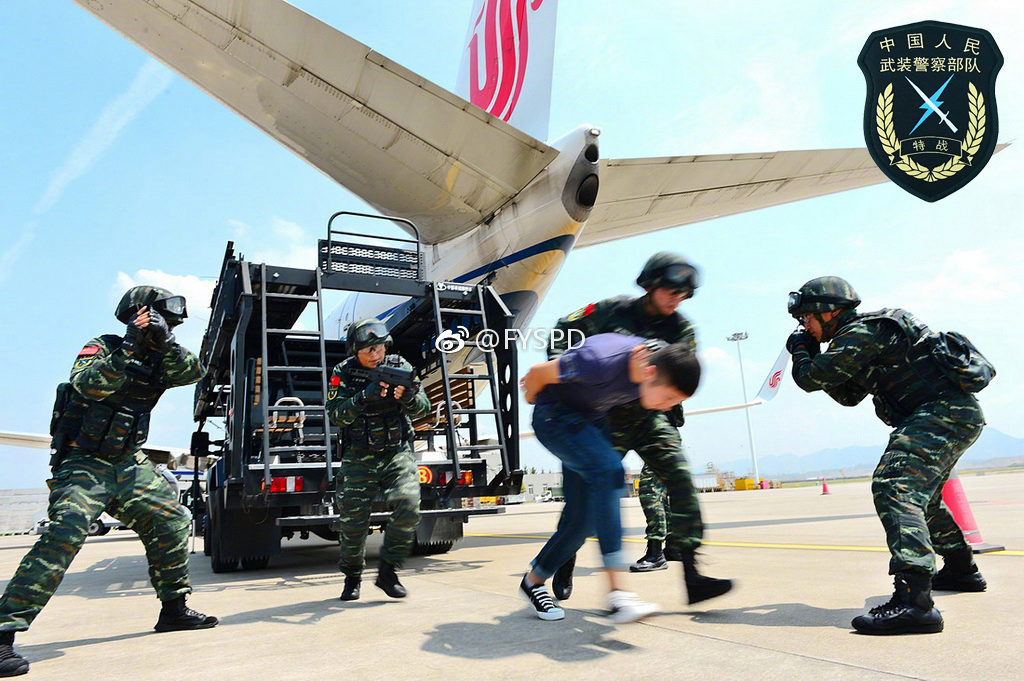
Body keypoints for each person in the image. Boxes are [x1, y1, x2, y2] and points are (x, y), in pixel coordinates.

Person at [0, 286, 217, 678]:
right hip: (85, 461)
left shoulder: (162, 358)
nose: (166, 327)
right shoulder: (104, 346)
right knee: (64, 532)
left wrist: (163, 342)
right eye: (161, 319)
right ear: (136, 314)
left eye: (171, 324)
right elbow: (90, 385)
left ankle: (174, 610)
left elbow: (195, 372)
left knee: (172, 520)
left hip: (129, 463)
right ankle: (2, 634)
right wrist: (131, 345)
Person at [786, 276, 988, 635]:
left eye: (806, 319)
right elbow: (848, 394)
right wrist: (813, 354)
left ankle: (915, 602)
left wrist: (802, 351)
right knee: (922, 501)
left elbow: (811, 377)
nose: (804, 326)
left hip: (941, 412)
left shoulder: (863, 331)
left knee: (894, 485)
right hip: (950, 415)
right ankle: (960, 569)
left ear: (828, 312)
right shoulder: (862, 338)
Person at [546, 253, 732, 604]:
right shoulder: (610, 311)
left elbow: (681, 375)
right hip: (604, 418)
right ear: (649, 285)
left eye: (684, 294)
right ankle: (563, 560)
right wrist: (566, 376)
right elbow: (562, 332)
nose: (677, 298)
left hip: (652, 420)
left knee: (680, 479)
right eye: (671, 290)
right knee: (583, 499)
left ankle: (692, 574)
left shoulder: (682, 329)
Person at [519, 334, 701, 623]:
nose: (668, 407)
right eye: (669, 398)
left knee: (582, 521)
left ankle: (533, 581)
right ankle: (619, 595)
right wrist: (534, 398)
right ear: (651, 373)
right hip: (554, 418)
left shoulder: (652, 363)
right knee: (610, 471)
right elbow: (536, 376)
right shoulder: (598, 359)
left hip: (589, 424)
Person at [326, 319, 430, 602]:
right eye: (368, 349)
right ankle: (352, 576)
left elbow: (424, 408)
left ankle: (388, 570)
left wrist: (409, 398)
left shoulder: (401, 366)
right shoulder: (342, 373)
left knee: (409, 504)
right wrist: (362, 398)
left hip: (396, 452)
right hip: (359, 455)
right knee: (353, 521)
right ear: (355, 351)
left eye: (380, 347)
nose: (376, 354)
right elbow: (335, 414)